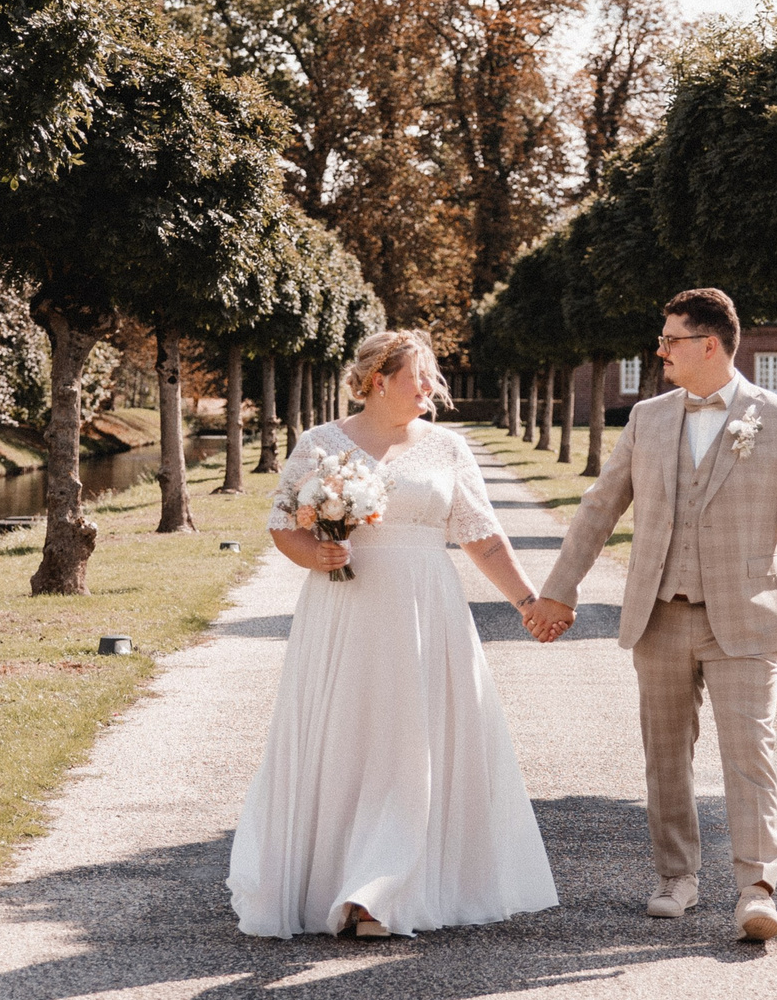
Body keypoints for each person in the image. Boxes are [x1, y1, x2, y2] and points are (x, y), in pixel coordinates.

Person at [525, 287, 777, 942]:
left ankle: (757, 888)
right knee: (665, 754)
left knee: (750, 752)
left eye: (670, 338)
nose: (660, 349)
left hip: (746, 616)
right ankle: (677, 877)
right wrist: (559, 589)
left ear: (709, 344)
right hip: (659, 614)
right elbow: (599, 506)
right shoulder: (648, 418)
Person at [228, 329, 557, 939]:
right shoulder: (321, 444)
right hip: (345, 610)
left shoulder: (449, 448)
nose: (433, 387)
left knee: (412, 739)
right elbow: (283, 524)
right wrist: (315, 556)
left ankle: (381, 889)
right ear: (380, 379)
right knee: (352, 735)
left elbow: (481, 536)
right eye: (421, 375)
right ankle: (343, 878)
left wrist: (528, 601)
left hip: (426, 610)